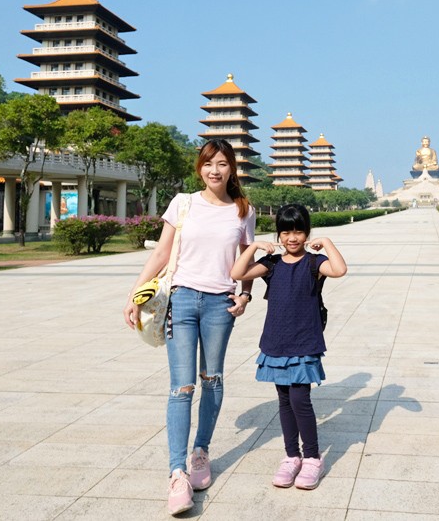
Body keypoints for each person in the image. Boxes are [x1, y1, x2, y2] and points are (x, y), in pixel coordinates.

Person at [123, 139, 256, 516]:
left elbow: (246, 259)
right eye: (208, 163)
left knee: (212, 378)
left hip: (220, 305)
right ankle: (177, 473)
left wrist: (245, 295)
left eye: (223, 164)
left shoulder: (244, 210)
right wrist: (135, 294)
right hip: (180, 300)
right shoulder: (183, 203)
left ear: (233, 169)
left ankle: (201, 452)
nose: (215, 170)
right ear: (200, 167)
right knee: (181, 387)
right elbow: (162, 253)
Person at [230, 204, 347, 491]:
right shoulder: (271, 264)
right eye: (286, 232)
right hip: (277, 340)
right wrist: (254, 245)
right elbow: (236, 271)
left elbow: (340, 270)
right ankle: (291, 455)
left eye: (298, 231)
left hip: (304, 341)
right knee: (284, 400)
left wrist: (328, 243)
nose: (292, 238)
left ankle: (311, 458)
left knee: (300, 400)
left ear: (307, 233)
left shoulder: (313, 263)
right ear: (279, 235)